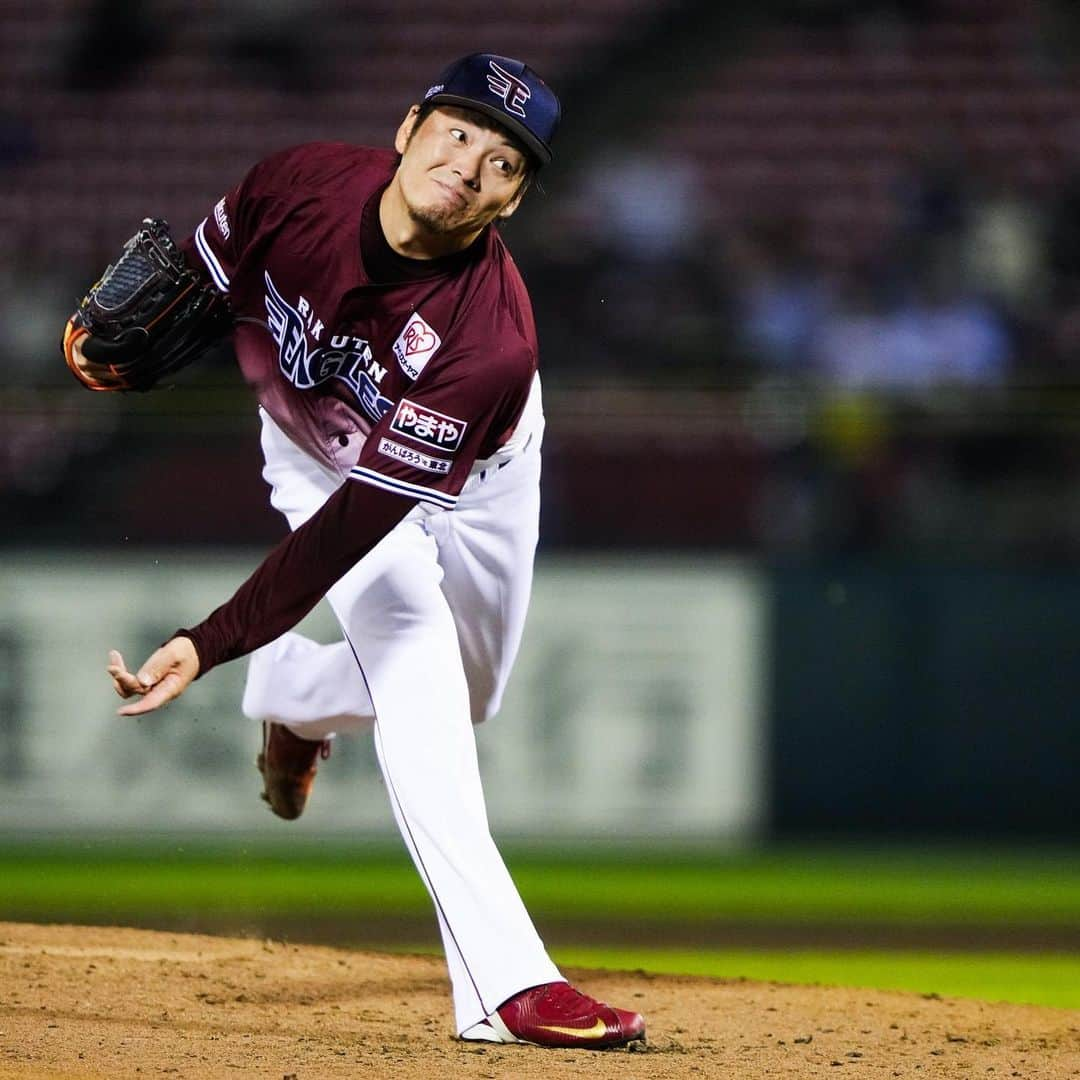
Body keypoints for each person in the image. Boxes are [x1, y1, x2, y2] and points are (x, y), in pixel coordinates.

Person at [64, 53, 646, 1050]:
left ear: (512, 202)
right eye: (458, 131)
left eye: (503, 161)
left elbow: (353, 533)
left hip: (479, 477)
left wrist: (211, 643)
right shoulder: (293, 185)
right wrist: (102, 336)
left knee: (471, 695)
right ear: (408, 125)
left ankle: (294, 692)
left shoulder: (490, 343)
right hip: (312, 445)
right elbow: (193, 283)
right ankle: (511, 987)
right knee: (417, 667)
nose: (468, 164)